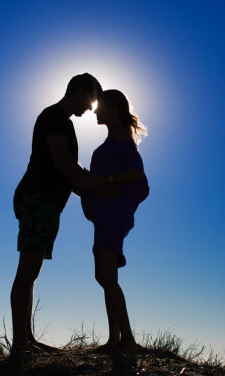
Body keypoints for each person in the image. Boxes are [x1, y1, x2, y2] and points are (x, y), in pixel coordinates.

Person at [11, 73, 103, 353]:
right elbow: (63, 162)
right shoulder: (54, 117)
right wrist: (98, 184)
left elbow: (65, 175)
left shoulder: (62, 122)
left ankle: (26, 340)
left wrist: (89, 191)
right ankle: (20, 346)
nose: (90, 109)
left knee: (32, 271)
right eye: (90, 100)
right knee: (27, 271)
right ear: (76, 91)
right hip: (37, 198)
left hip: (46, 202)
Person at [80, 89, 149, 355]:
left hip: (113, 216)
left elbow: (137, 176)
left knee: (104, 274)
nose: (95, 112)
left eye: (100, 107)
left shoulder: (121, 139)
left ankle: (127, 340)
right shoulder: (113, 140)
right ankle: (115, 339)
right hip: (105, 216)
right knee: (109, 275)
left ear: (113, 110)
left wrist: (106, 182)